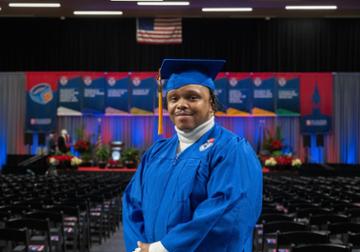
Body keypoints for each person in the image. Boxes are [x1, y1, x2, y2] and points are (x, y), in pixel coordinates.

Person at [122, 59, 263, 252]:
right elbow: (132, 202)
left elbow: (229, 212)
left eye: (192, 97)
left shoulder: (231, 150)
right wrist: (139, 248)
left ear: (211, 103)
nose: (181, 105)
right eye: (173, 98)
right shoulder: (155, 153)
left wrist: (163, 248)